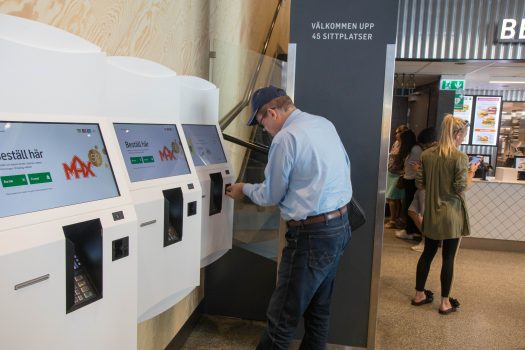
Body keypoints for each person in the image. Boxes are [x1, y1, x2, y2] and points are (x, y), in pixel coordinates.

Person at [225, 86, 352, 349]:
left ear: (271, 112)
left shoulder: (286, 138)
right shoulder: (322, 124)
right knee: (318, 314)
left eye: (261, 123)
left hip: (311, 238)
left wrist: (244, 189)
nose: (265, 130)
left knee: (281, 321)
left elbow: (271, 194)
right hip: (339, 227)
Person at [411, 115, 479, 315]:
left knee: (427, 254)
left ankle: (419, 295)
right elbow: (460, 188)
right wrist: (471, 172)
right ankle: (445, 303)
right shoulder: (460, 158)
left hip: (432, 213)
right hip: (452, 216)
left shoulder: (427, 155)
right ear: (458, 134)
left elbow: (420, 184)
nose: (463, 138)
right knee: (448, 258)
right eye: (463, 135)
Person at [395, 127, 437, 241]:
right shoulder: (416, 149)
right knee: (411, 209)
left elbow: (423, 168)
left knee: (416, 210)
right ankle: (414, 232)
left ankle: (422, 236)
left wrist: (417, 170)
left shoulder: (417, 150)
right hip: (412, 180)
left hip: (416, 181)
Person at [385, 125, 409, 228]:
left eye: (398, 132)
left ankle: (393, 220)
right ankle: (395, 219)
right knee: (394, 198)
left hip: (397, 174)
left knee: (392, 198)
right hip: (391, 172)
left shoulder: (406, 145)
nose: (396, 135)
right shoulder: (396, 143)